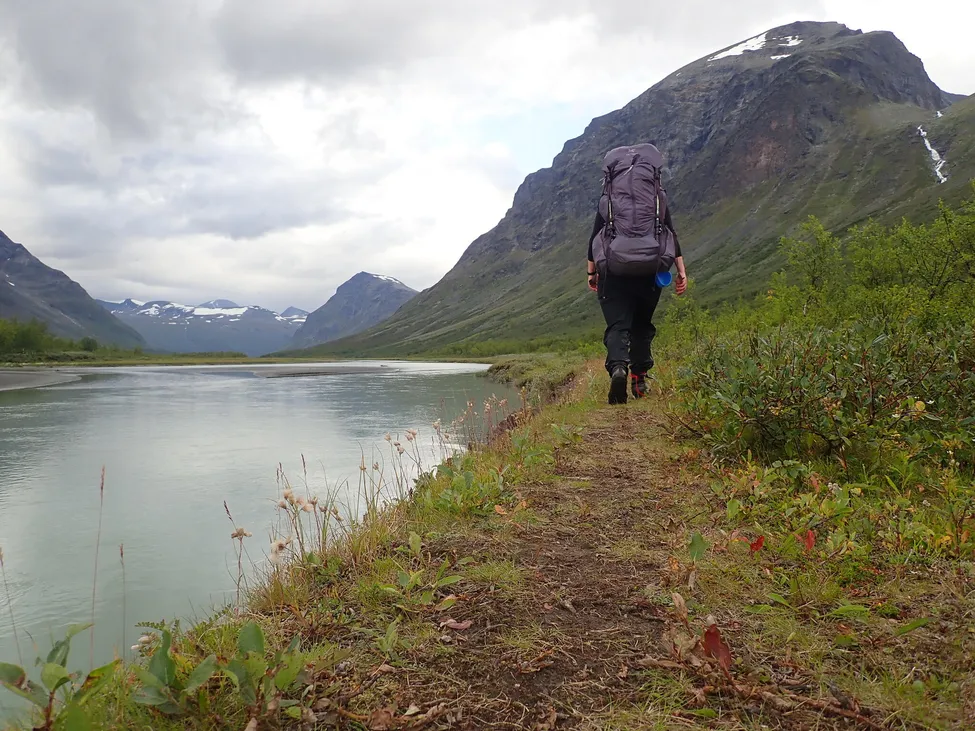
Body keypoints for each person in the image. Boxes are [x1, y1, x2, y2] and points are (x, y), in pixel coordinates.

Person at [586, 145, 687, 405]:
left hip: (613, 271)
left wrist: (592, 272)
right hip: (650, 269)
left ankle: (618, 368)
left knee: (618, 325)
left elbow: (595, 236)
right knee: (642, 325)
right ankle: (639, 381)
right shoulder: (657, 198)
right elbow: (670, 233)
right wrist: (681, 271)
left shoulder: (608, 200)